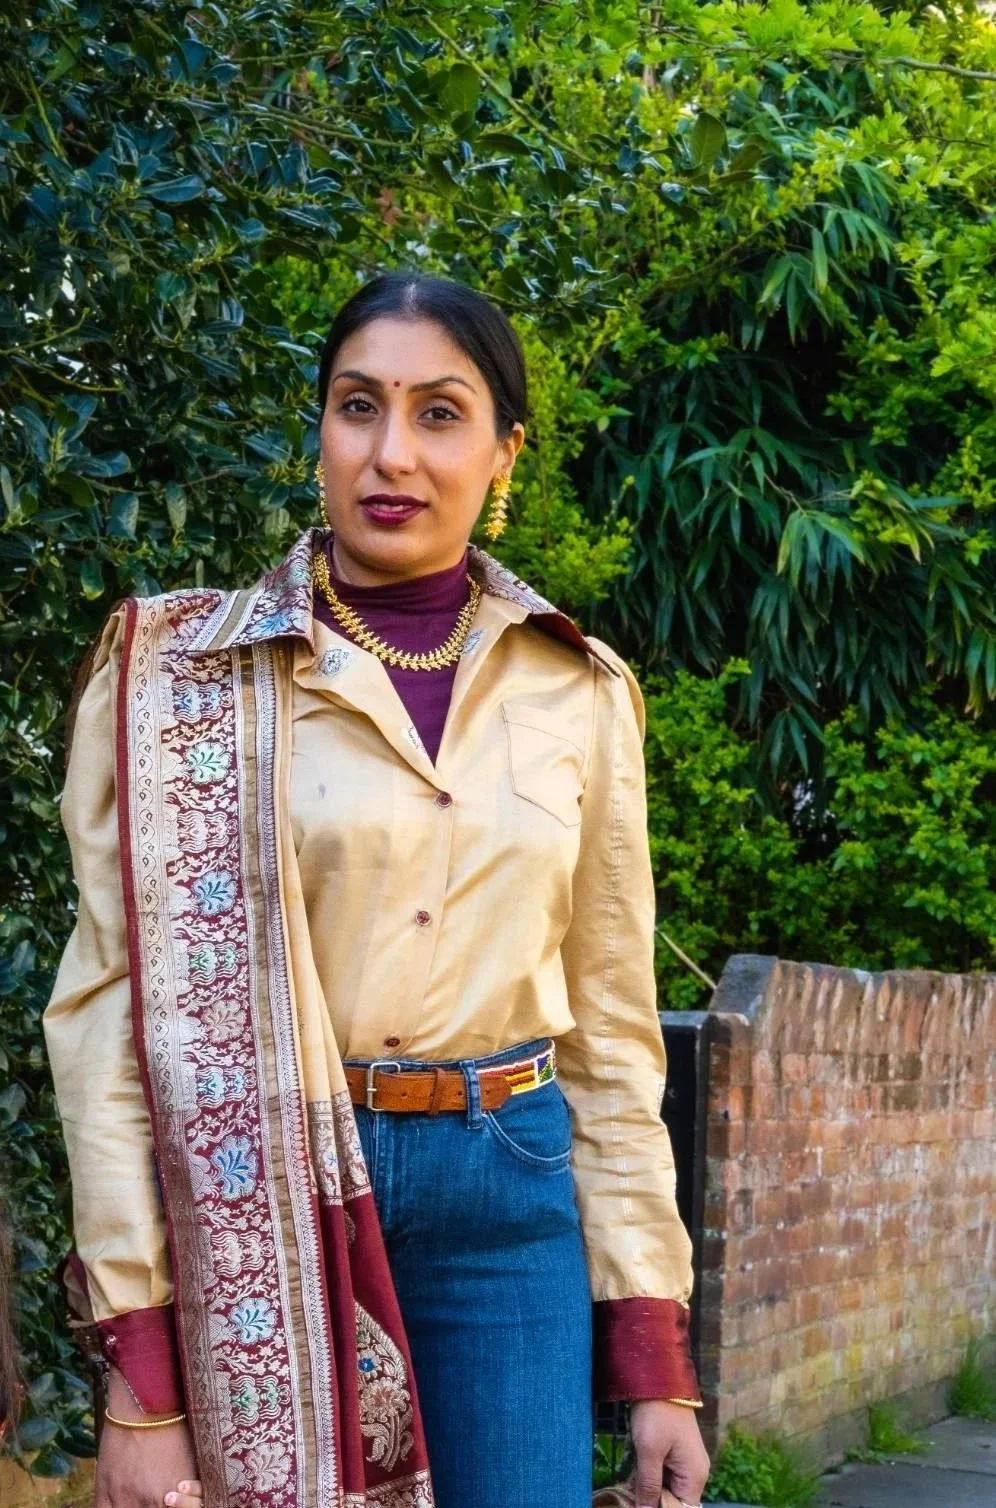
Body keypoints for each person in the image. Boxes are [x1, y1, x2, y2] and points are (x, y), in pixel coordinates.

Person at [43, 272, 710, 1508]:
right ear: (320, 434)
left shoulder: (579, 690)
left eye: (440, 413)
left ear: (506, 452)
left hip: (505, 1192)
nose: (391, 452)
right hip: (265, 1218)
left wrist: (655, 1355)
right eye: (359, 407)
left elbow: (613, 1034)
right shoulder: (184, 679)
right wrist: (140, 1380)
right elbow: (104, 1033)